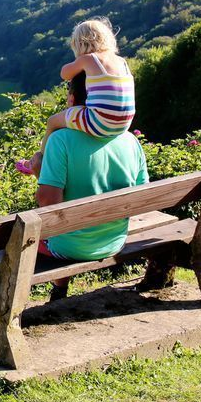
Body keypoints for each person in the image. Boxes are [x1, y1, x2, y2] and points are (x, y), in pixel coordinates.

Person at [34, 71, 149, 300]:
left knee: (29, 235)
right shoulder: (130, 141)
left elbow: (48, 203)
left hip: (66, 248)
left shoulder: (61, 139)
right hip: (114, 242)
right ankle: (59, 289)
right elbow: (142, 195)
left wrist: (39, 171)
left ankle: (59, 290)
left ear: (72, 101)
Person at [17, 17, 136, 176]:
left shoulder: (88, 59)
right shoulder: (122, 62)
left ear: (80, 43)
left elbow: (64, 73)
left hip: (99, 121)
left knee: (52, 122)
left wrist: (78, 63)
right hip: (124, 123)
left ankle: (40, 162)